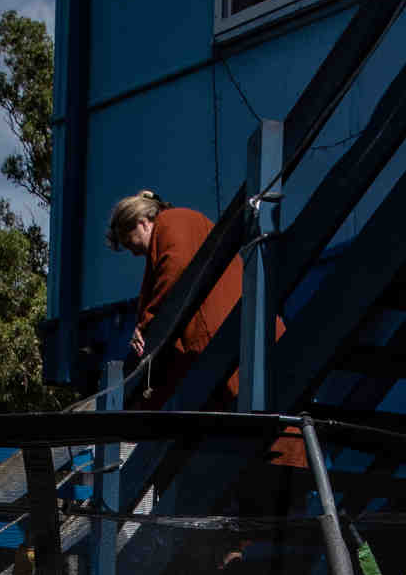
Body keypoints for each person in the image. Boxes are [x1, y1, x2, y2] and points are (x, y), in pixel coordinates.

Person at [108, 190, 305, 466]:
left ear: (142, 221)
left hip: (229, 349)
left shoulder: (173, 222)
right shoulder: (186, 224)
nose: (135, 253)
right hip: (236, 348)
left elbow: (175, 268)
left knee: (267, 437)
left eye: (133, 245)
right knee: (273, 443)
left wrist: (148, 323)